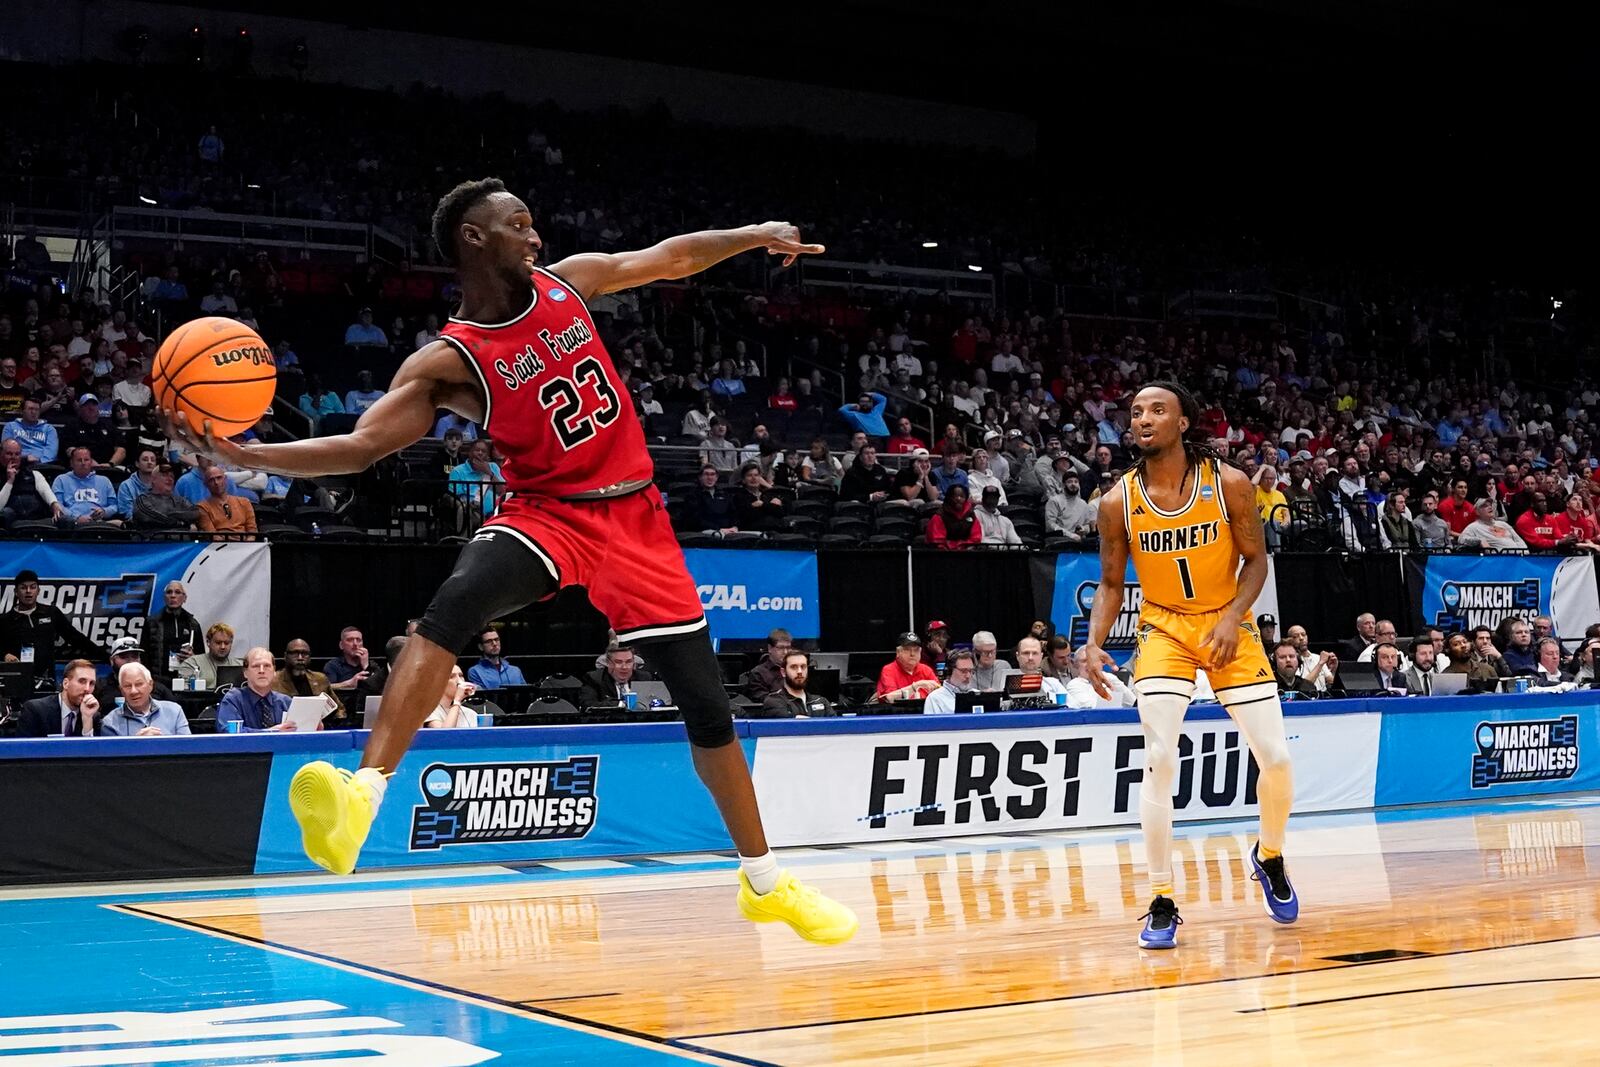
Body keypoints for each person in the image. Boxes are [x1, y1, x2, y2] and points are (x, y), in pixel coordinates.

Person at [165, 180, 854, 943]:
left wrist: (754, 229)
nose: (535, 236)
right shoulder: (449, 362)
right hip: (547, 512)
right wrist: (248, 452)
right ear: (472, 237)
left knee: (707, 705)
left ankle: (765, 880)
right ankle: (362, 793)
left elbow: (671, 257)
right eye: (517, 224)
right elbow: (361, 446)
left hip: (636, 516)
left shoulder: (570, 281)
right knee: (454, 604)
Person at [1080, 381, 1296, 950]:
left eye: (1158, 410)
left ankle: (1268, 854)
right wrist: (1093, 641)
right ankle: (1160, 898)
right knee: (1158, 755)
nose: (1144, 419)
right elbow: (1108, 584)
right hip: (1165, 628)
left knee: (1275, 758)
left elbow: (1256, 562)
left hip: (1228, 625)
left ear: (1183, 423)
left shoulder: (1229, 483)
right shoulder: (1115, 501)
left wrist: (1230, 618)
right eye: (1136, 413)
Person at [0, 568, 103, 680]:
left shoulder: (51, 613)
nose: (28, 591)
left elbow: (76, 638)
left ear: (38, 591)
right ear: (16, 592)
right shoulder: (5, 620)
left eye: (33, 587)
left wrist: (107, 657)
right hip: (16, 680)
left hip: (46, 679)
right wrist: (4, 655)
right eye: (23, 587)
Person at [217, 647, 304, 732]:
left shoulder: (285, 702)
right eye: (256, 666)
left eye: (267, 666)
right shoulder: (233, 700)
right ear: (245, 672)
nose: (262, 671)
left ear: (274, 672)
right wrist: (271, 732)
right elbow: (229, 731)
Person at [99, 663, 192, 736]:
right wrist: (137, 744)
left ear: (150, 685)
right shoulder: (110, 723)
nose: (134, 691)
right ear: (121, 691)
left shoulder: (174, 711)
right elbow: (114, 759)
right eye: (127, 686)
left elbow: (188, 750)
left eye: (139, 684)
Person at [16, 659, 101, 737]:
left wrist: (87, 720)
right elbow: (23, 750)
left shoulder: (92, 716)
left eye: (92, 683)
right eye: (82, 681)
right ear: (65, 684)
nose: (87, 688)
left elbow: (91, 752)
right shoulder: (35, 710)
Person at [142, 580, 203, 680]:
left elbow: (202, 657)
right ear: (164, 597)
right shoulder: (152, 622)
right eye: (169, 592)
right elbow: (144, 656)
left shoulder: (192, 624)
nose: (173, 596)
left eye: (177, 592)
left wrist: (193, 658)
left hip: (185, 681)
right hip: (158, 682)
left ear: (184, 598)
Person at [0, 437, 64, 528]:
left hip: (38, 516)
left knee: (64, 519)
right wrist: (10, 481)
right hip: (11, 518)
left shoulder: (34, 474)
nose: (13, 457)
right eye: (9, 454)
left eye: (17, 454)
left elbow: (46, 492)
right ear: (1, 454)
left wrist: (54, 504)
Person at [93, 636, 173, 709]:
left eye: (135, 656)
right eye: (123, 656)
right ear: (112, 660)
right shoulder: (99, 687)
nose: (130, 661)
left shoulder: (157, 687)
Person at [51, 446, 119, 524]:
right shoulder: (61, 480)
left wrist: (104, 511)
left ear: (91, 462)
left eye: (86, 460)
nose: (83, 463)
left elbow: (114, 506)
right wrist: (76, 518)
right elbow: (58, 506)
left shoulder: (104, 481)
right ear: (71, 463)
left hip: (100, 522)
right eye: (79, 460)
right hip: (72, 524)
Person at [759, 649, 835, 718]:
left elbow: (836, 727)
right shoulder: (774, 701)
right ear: (783, 672)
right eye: (794, 667)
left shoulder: (820, 701)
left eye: (803, 667)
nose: (799, 671)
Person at [578, 645, 654, 708]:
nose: (624, 667)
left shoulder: (644, 678)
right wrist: (622, 705)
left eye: (628, 662)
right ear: (608, 663)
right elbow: (587, 704)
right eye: (618, 662)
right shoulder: (594, 678)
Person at [875, 632, 940, 702]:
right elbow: (889, 698)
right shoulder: (888, 670)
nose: (912, 654)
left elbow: (940, 693)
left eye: (916, 650)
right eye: (907, 649)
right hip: (899, 712)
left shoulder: (926, 670)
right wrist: (916, 686)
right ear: (898, 652)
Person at [1064, 646, 1138, 708]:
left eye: (1093, 660)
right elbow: (1093, 709)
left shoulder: (1110, 678)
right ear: (1076, 664)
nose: (1090, 665)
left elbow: (1132, 702)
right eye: (1084, 661)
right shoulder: (1074, 685)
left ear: (1102, 662)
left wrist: (1110, 680)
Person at [196, 463, 257, 537]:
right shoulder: (203, 507)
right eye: (211, 480)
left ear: (225, 479)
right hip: (219, 546)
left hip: (248, 545)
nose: (216, 482)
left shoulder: (244, 502)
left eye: (219, 478)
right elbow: (213, 536)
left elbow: (252, 532)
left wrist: (248, 546)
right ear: (206, 484)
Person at [132, 463, 200, 530]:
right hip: (153, 539)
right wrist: (179, 523)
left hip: (181, 540)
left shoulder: (181, 501)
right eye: (164, 475)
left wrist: (173, 515)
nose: (170, 479)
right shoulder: (143, 499)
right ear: (153, 479)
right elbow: (148, 517)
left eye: (172, 476)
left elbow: (195, 513)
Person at [178, 622, 243, 687]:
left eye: (226, 643)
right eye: (218, 643)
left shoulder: (240, 666)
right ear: (208, 642)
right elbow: (183, 693)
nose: (223, 647)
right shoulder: (192, 663)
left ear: (231, 643)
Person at [740, 629, 792, 702]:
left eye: (788, 648)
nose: (785, 652)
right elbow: (761, 700)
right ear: (770, 648)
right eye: (781, 648)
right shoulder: (758, 673)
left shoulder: (796, 670)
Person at [3, 396, 58, 463]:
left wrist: (40, 460)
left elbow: (51, 452)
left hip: (42, 465)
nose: (34, 412)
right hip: (18, 462)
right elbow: (6, 449)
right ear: (22, 411)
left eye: (37, 409)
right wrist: (25, 458)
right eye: (30, 409)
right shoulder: (10, 426)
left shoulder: (49, 429)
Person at [923, 649, 980, 714]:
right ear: (949, 671)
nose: (968, 676)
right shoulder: (935, 698)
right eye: (964, 671)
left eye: (971, 671)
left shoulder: (978, 696)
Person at [1013, 635, 1068, 700]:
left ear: (1041, 656)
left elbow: (1074, 707)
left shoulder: (1054, 684)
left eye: (1035, 653)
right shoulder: (1005, 686)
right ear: (1017, 656)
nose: (1030, 658)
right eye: (1026, 653)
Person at [1460, 498, 1527, 550]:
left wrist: (1524, 554)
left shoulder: (1503, 524)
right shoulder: (1474, 527)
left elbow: (1518, 540)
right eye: (1485, 506)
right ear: (1477, 512)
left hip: (1519, 559)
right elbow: (1462, 539)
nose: (1490, 507)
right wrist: (1479, 541)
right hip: (1498, 560)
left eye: (1490, 505)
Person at [928, 484, 982, 549]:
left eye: (962, 496)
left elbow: (976, 537)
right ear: (949, 498)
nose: (958, 499)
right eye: (955, 496)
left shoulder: (971, 515)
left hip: (967, 552)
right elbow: (937, 541)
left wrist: (966, 547)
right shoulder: (939, 516)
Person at [323, 627, 372, 691]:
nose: (355, 644)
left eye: (358, 640)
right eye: (350, 640)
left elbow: (381, 686)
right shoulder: (332, 665)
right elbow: (326, 687)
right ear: (341, 645)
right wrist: (348, 684)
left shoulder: (371, 664)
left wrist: (366, 666)